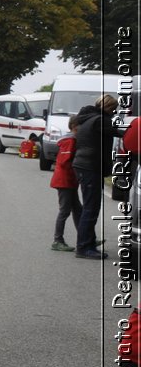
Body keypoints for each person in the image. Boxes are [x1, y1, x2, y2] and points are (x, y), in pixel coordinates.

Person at [73, 94, 121, 259]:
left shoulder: (87, 118)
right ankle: (84, 247)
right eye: (113, 109)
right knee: (91, 208)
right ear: (108, 107)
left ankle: (89, 243)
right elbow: (119, 131)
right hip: (90, 166)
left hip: (83, 165)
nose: (115, 113)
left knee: (90, 206)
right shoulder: (100, 120)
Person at [49, 127, 81, 252]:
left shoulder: (72, 140)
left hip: (69, 181)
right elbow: (64, 161)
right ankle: (57, 240)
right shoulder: (70, 141)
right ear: (75, 127)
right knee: (65, 211)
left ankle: (85, 237)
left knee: (78, 210)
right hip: (64, 181)